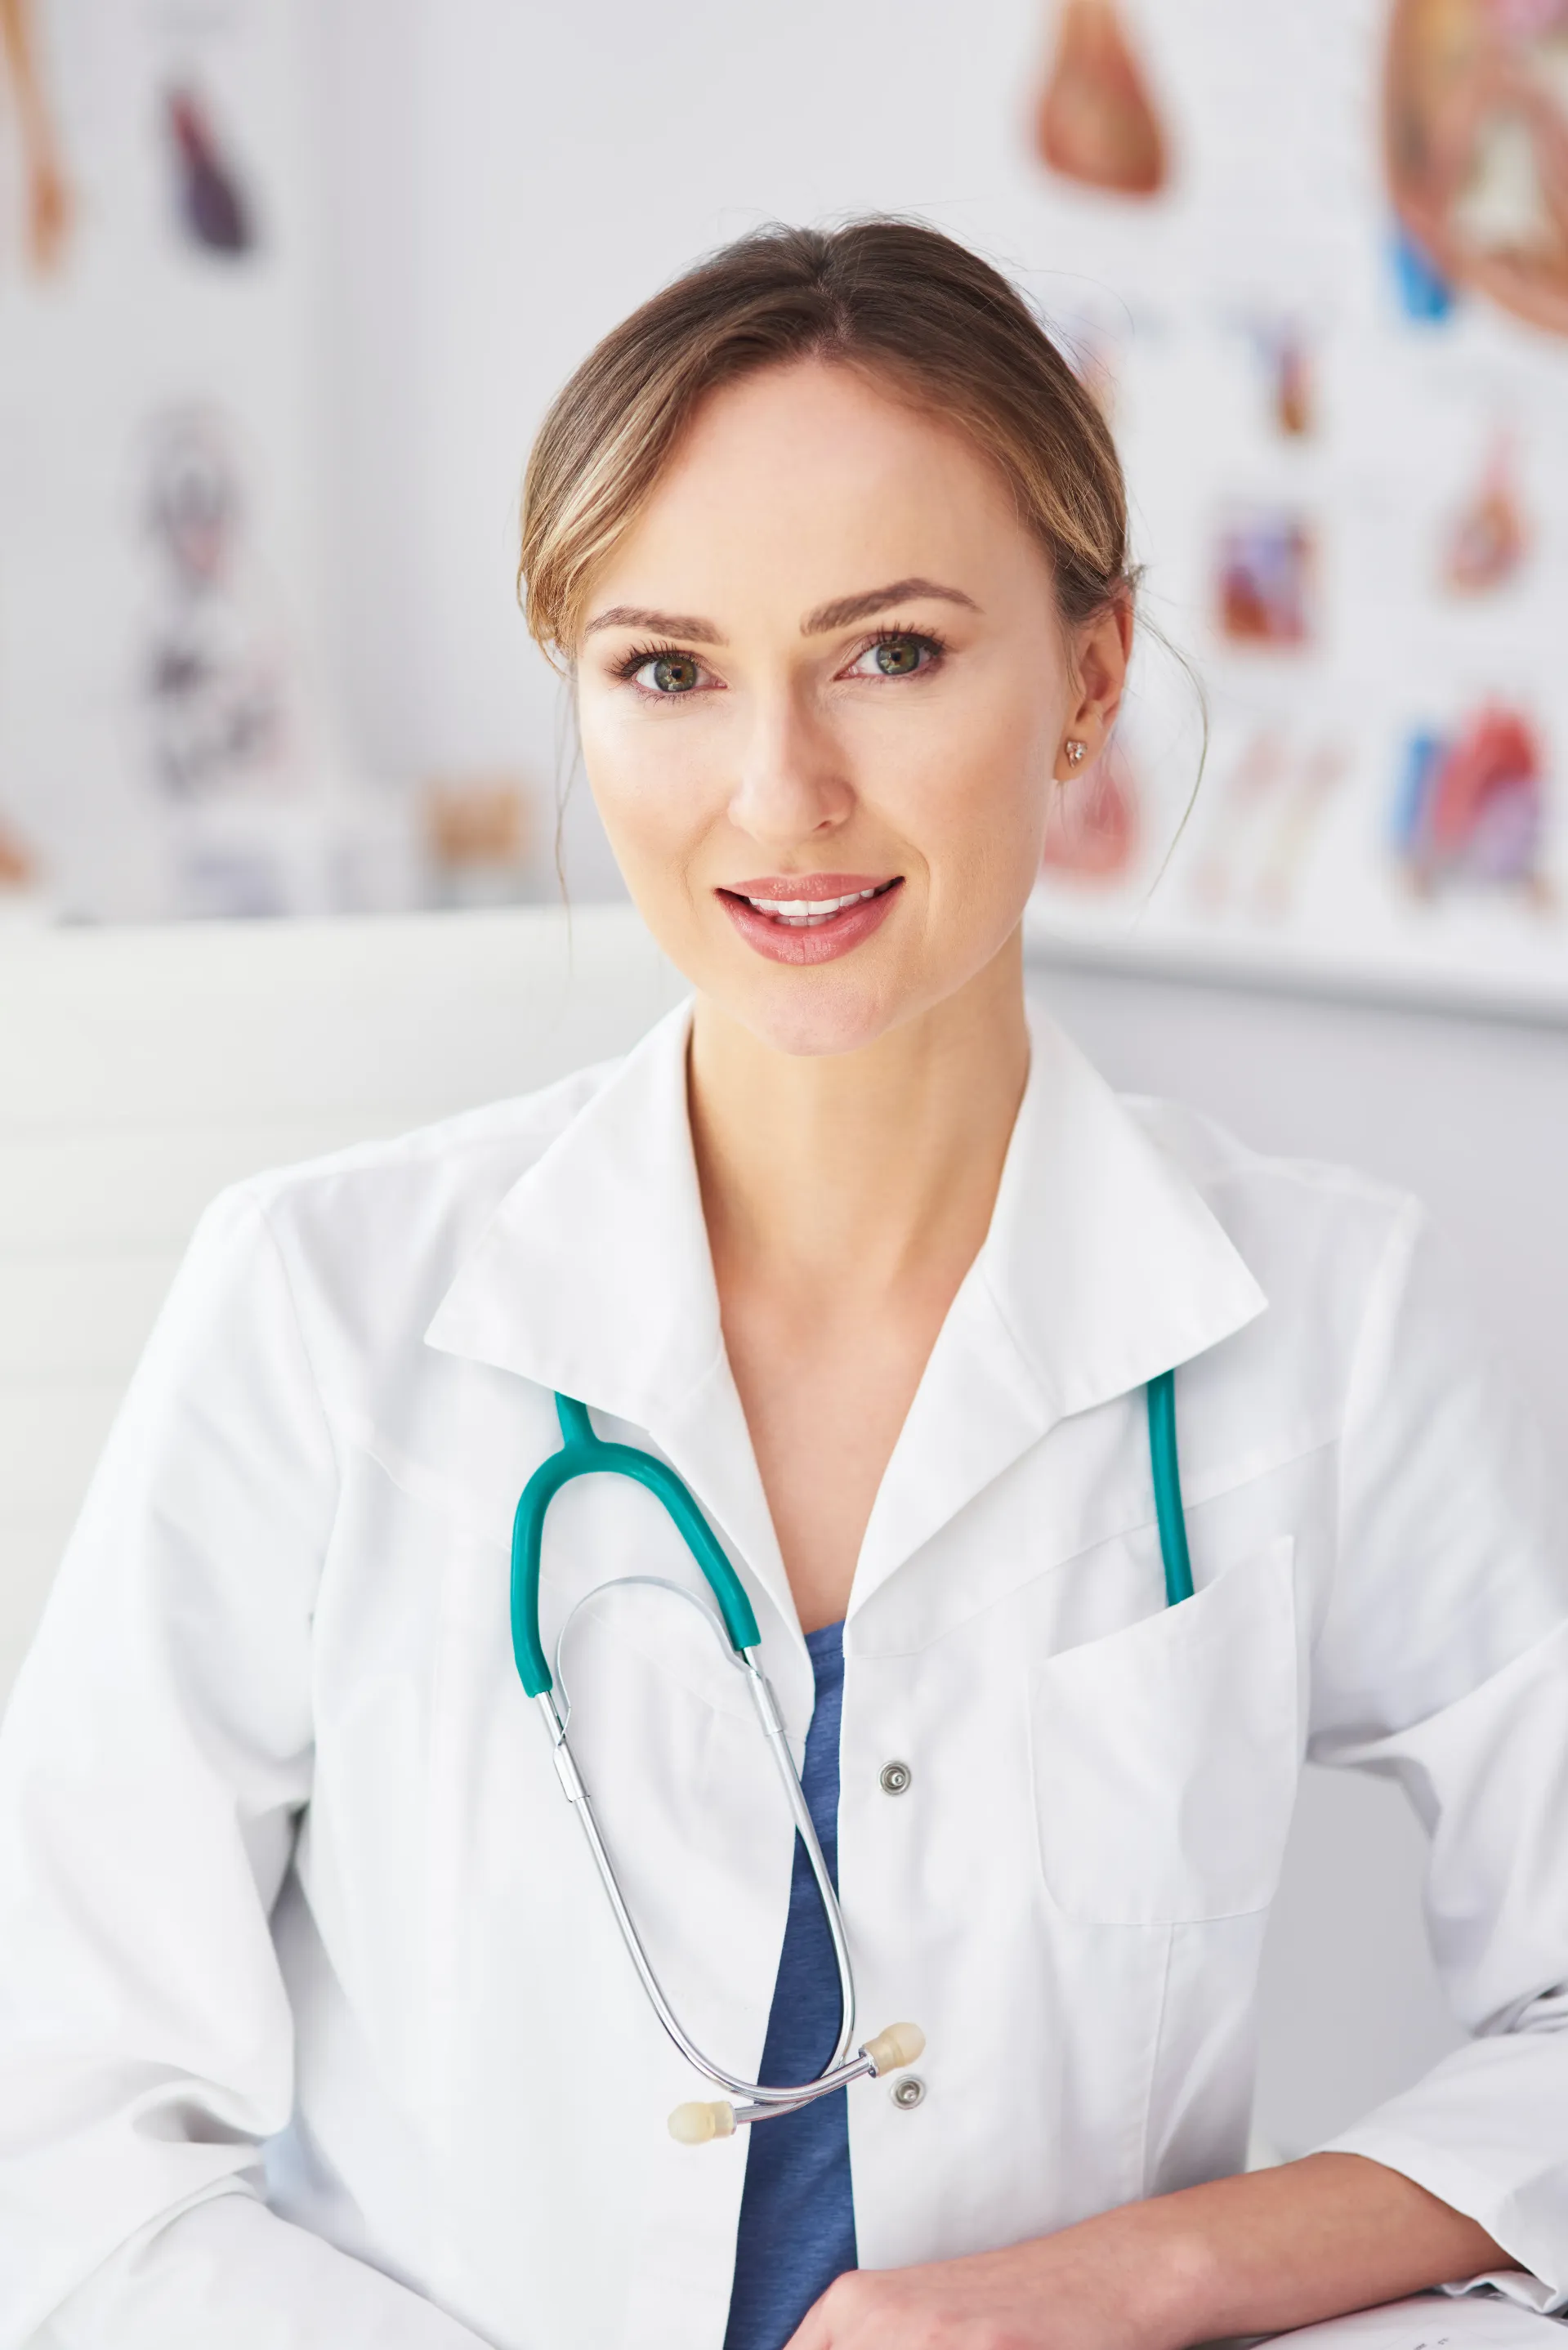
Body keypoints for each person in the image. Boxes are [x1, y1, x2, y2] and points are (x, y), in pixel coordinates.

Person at [1, 219, 1566, 2350]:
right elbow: (57, 2137)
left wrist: (1126, 2278)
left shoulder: (1328, 1319)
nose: (777, 793)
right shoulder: (316, 1306)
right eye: (667, 669)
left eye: (892, 650)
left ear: (1088, 675)